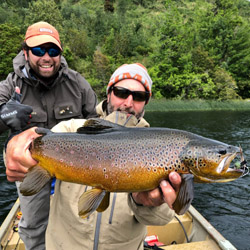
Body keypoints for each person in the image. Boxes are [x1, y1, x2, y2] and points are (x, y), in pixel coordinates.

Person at [5, 63, 182, 250]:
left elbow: (161, 219)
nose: (128, 103)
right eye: (121, 92)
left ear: (147, 101)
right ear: (109, 93)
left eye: (139, 96)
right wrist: (13, 147)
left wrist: (144, 203)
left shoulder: (161, 148)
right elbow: (31, 143)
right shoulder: (71, 129)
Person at [1, 21, 97, 250]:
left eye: (53, 51)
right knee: (34, 224)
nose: (46, 57)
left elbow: (96, 124)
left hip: (74, 166)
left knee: (81, 220)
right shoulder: (10, 85)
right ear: (26, 52)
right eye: (38, 50)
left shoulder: (78, 85)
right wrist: (5, 116)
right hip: (31, 168)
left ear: (60, 54)